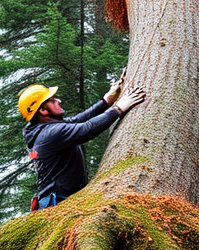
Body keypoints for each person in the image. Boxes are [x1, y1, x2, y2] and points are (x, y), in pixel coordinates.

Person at [18, 72, 146, 211]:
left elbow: (78, 120)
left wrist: (106, 101)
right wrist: (118, 108)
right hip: (59, 206)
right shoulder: (50, 133)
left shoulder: (45, 129)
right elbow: (87, 128)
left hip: (62, 203)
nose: (58, 100)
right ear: (42, 110)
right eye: (52, 99)